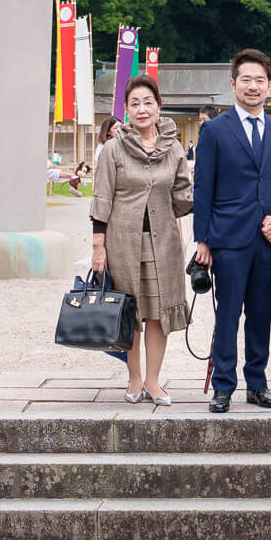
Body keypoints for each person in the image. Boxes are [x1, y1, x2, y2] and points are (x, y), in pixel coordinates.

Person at [192, 48, 271, 413]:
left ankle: (257, 382)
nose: (254, 87)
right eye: (246, 80)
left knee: (259, 313)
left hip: (267, 239)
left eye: (261, 80)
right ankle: (223, 384)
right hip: (227, 238)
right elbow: (202, 187)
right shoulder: (214, 130)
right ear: (233, 84)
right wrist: (202, 239)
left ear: (270, 85)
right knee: (228, 314)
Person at [89, 75, 193, 405]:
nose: (142, 109)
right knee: (130, 312)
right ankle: (134, 378)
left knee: (158, 313)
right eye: (134, 104)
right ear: (126, 110)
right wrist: (98, 245)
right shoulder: (113, 148)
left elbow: (181, 195)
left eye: (148, 102)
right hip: (122, 241)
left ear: (159, 107)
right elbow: (102, 197)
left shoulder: (173, 147)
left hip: (164, 242)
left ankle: (153, 380)